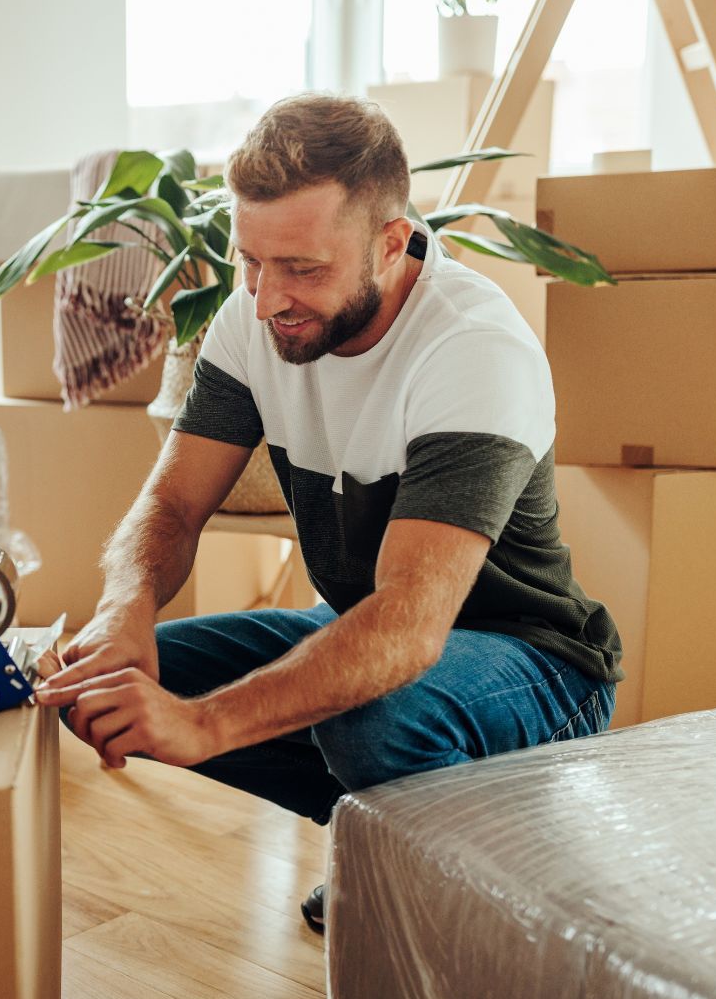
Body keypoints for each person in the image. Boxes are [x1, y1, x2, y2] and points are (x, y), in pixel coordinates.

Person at [35, 95, 623, 932]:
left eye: (304, 269)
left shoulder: (472, 350)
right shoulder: (255, 317)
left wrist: (204, 726)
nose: (270, 297)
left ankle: (450, 873)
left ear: (392, 240)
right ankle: (392, 841)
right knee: (132, 676)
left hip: (537, 658)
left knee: (365, 716)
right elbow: (171, 501)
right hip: (369, 623)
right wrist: (124, 607)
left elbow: (408, 629)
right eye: (252, 262)